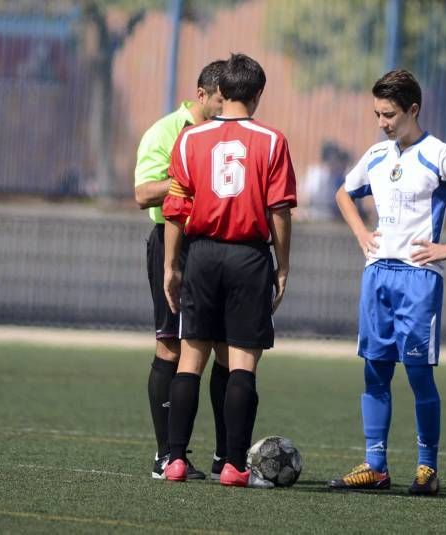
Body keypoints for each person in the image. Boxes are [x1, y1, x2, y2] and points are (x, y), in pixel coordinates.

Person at [328, 70, 446, 496]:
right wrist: (362, 235)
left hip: (419, 279)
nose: (382, 122)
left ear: (413, 110)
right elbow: (343, 194)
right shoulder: (376, 155)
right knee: (375, 371)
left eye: (389, 114)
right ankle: (375, 466)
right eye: (377, 114)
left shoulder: (439, 154)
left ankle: (427, 469)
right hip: (377, 275)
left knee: (419, 375)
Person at [161, 53, 296, 488]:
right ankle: (235, 465)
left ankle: (175, 460)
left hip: (200, 254)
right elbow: (279, 211)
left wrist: (170, 265)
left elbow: (175, 209)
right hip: (248, 258)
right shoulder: (273, 141)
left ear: (221, 92)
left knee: (190, 359)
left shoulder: (189, 140)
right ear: (257, 95)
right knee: (242, 365)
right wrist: (282, 265)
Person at [133, 59, 228, 480]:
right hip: (173, 244)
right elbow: (141, 193)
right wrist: (186, 176)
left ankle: (226, 455)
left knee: (223, 347)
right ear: (202, 94)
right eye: (221, 101)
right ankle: (165, 455)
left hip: (216, 247)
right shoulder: (165, 131)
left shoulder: (226, 135)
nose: (227, 110)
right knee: (171, 345)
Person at [301, 141, 350, 221]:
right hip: (314, 217)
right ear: (329, 158)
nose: (336, 162)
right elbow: (306, 198)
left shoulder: (334, 177)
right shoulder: (315, 174)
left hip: (328, 218)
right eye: (334, 158)